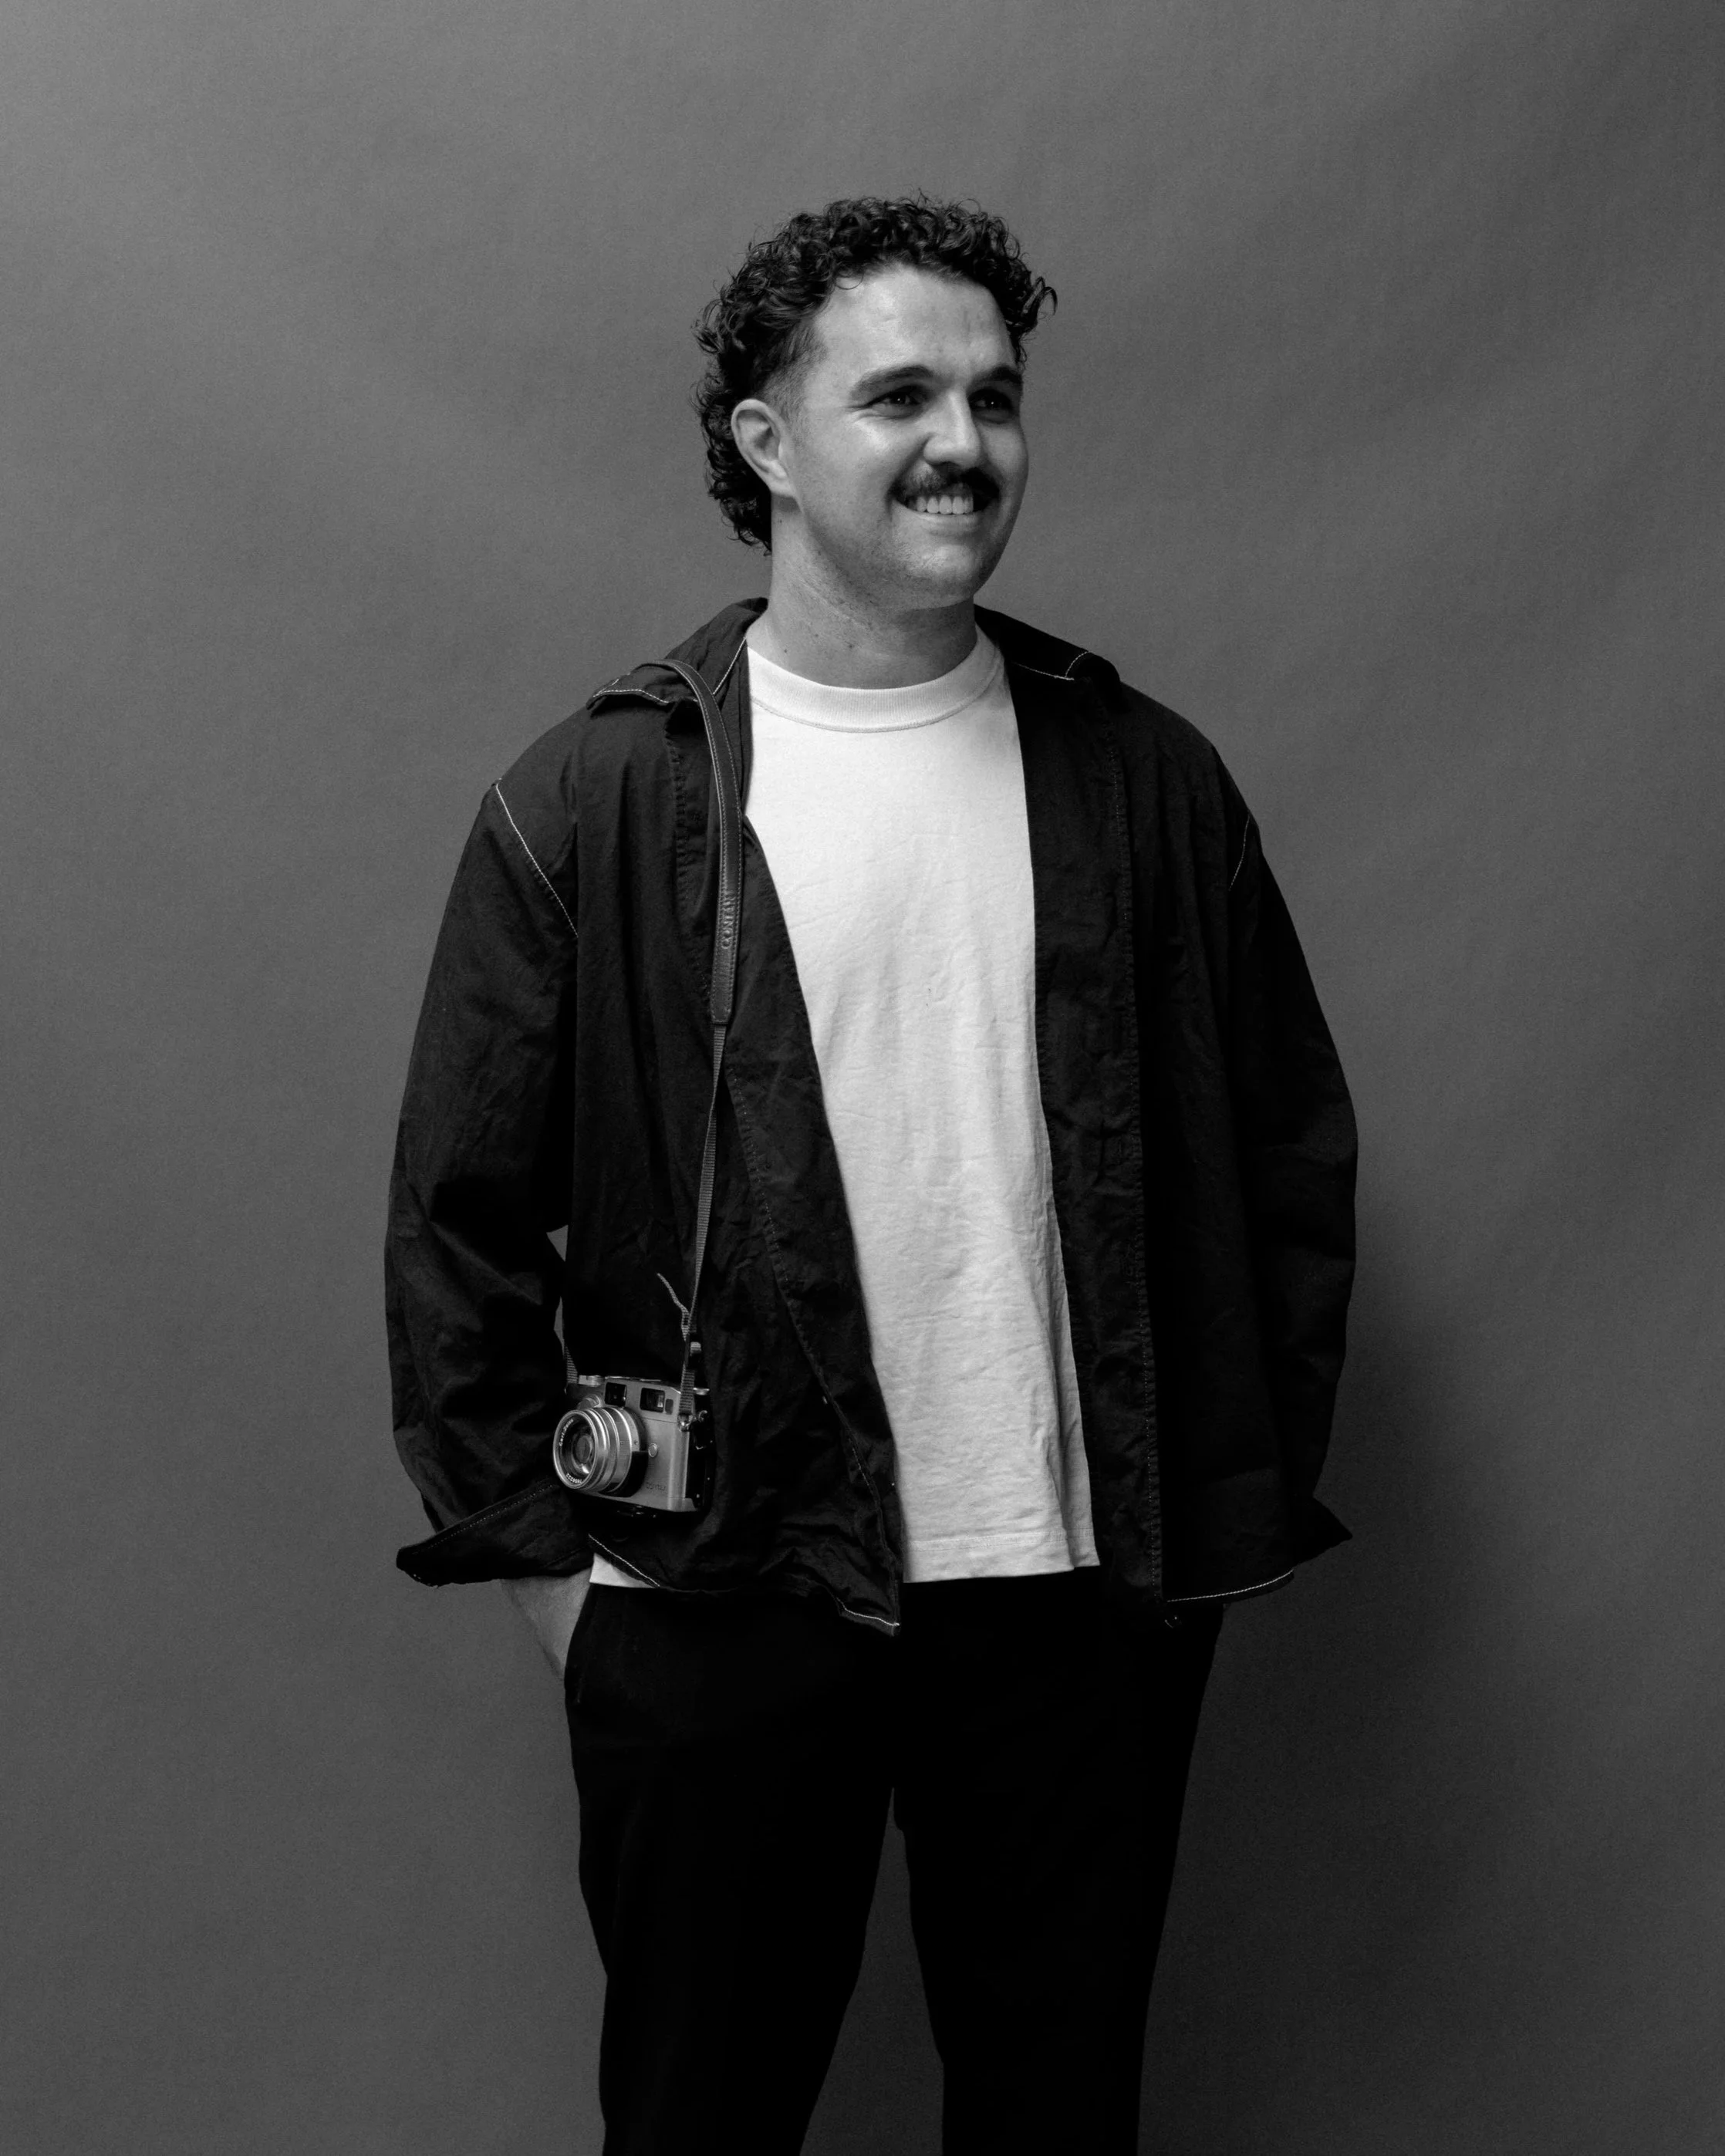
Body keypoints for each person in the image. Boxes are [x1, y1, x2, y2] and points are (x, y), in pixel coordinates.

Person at [385, 195, 1356, 2155]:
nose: (962, 443)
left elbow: (1286, 1163)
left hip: (1073, 1602)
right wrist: (571, 1587)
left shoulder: (1144, 781)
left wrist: (1190, 1522)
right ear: (763, 441)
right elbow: (457, 1224)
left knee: (1054, 2113)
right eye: (899, 395)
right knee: (700, 2117)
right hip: (722, 1588)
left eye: (994, 397)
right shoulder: (598, 796)